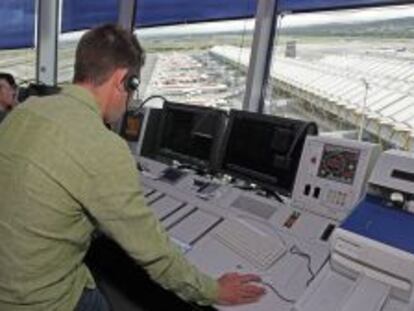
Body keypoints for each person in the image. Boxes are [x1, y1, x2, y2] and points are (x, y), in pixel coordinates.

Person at [0, 24, 265, 310]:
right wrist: (212, 291)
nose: (132, 102)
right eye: (133, 88)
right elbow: (153, 252)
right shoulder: (103, 146)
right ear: (124, 81)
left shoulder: (26, 110)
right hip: (40, 300)